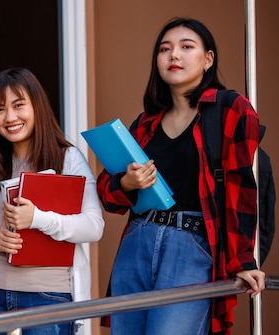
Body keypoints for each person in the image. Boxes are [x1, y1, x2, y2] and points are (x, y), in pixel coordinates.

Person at [96, 17, 265, 335]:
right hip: (136, 243)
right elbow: (105, 191)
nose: (174, 55)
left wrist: (243, 260)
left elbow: (242, 187)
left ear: (208, 59)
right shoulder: (145, 123)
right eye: (165, 49)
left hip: (191, 247)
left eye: (187, 47)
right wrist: (126, 184)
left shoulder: (230, 108)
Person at [0, 67, 105, 335]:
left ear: (36, 106)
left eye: (18, 105)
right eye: (0, 109)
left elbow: (94, 226)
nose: (10, 117)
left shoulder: (68, 159)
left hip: (48, 297)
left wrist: (37, 218)